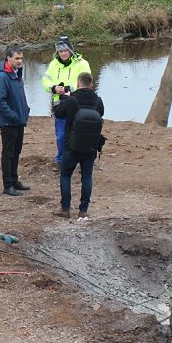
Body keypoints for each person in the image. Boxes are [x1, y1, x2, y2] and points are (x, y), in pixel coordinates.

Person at [53, 72, 104, 219]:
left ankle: (65, 209)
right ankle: (83, 210)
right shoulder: (97, 100)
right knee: (87, 177)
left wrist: (64, 99)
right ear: (91, 84)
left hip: (72, 145)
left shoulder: (72, 100)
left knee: (65, 175)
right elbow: (101, 113)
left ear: (77, 83)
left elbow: (59, 114)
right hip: (91, 146)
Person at [41, 36, 91, 169]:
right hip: (60, 104)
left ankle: (81, 160)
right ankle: (61, 160)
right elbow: (45, 80)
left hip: (77, 103)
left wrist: (69, 89)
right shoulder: (53, 64)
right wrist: (54, 88)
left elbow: (86, 82)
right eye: (60, 51)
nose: (63, 53)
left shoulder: (82, 64)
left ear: (71, 50)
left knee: (79, 132)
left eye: (65, 50)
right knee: (61, 134)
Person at [0, 44, 30, 196]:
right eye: (17, 58)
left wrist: (26, 111)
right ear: (8, 58)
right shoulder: (2, 77)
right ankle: (8, 186)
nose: (20, 61)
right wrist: (13, 116)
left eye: (21, 58)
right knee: (8, 154)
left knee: (16, 152)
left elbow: (20, 97)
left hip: (19, 121)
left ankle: (14, 181)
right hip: (9, 123)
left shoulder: (16, 73)